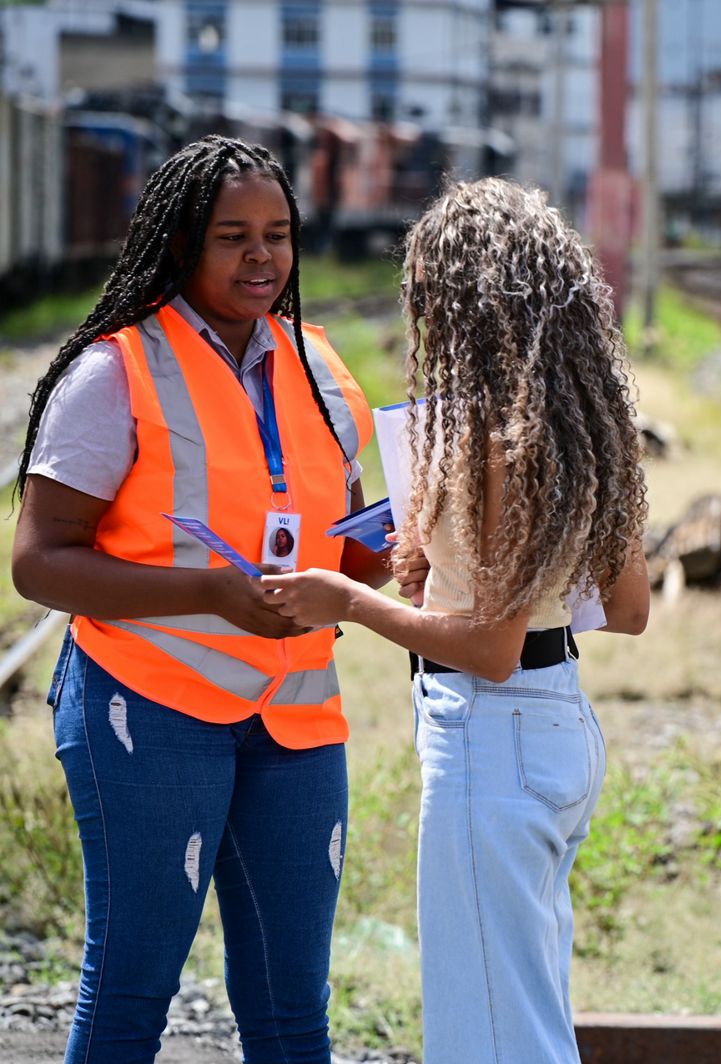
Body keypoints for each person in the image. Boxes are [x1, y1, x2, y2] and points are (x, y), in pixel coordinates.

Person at [11, 135, 393, 1064]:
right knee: (134, 992)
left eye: (278, 234)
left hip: (297, 717)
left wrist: (386, 557)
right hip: (145, 706)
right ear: (181, 242)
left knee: (292, 1008)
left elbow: (339, 542)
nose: (262, 257)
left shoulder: (321, 368)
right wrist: (210, 594)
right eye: (233, 237)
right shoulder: (115, 372)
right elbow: (39, 562)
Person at [262, 177, 650, 1064]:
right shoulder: (589, 424)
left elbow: (488, 649)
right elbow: (627, 611)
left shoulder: (484, 436)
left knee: (487, 1036)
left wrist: (345, 600)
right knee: (528, 1013)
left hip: (492, 733)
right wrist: (444, 561)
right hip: (563, 733)